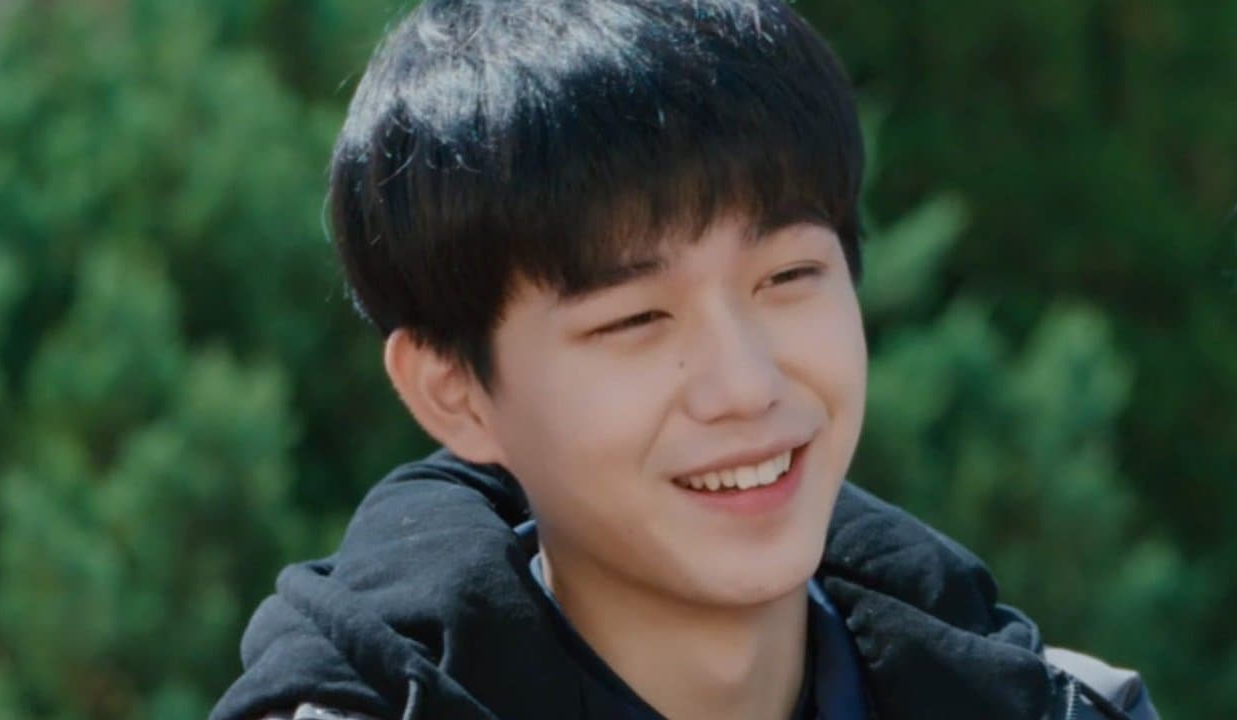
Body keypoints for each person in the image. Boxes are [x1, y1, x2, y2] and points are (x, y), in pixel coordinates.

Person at [211, 1, 1158, 718]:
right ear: (454, 392)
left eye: (787, 275)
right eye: (635, 320)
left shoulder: (1062, 705)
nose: (747, 385)